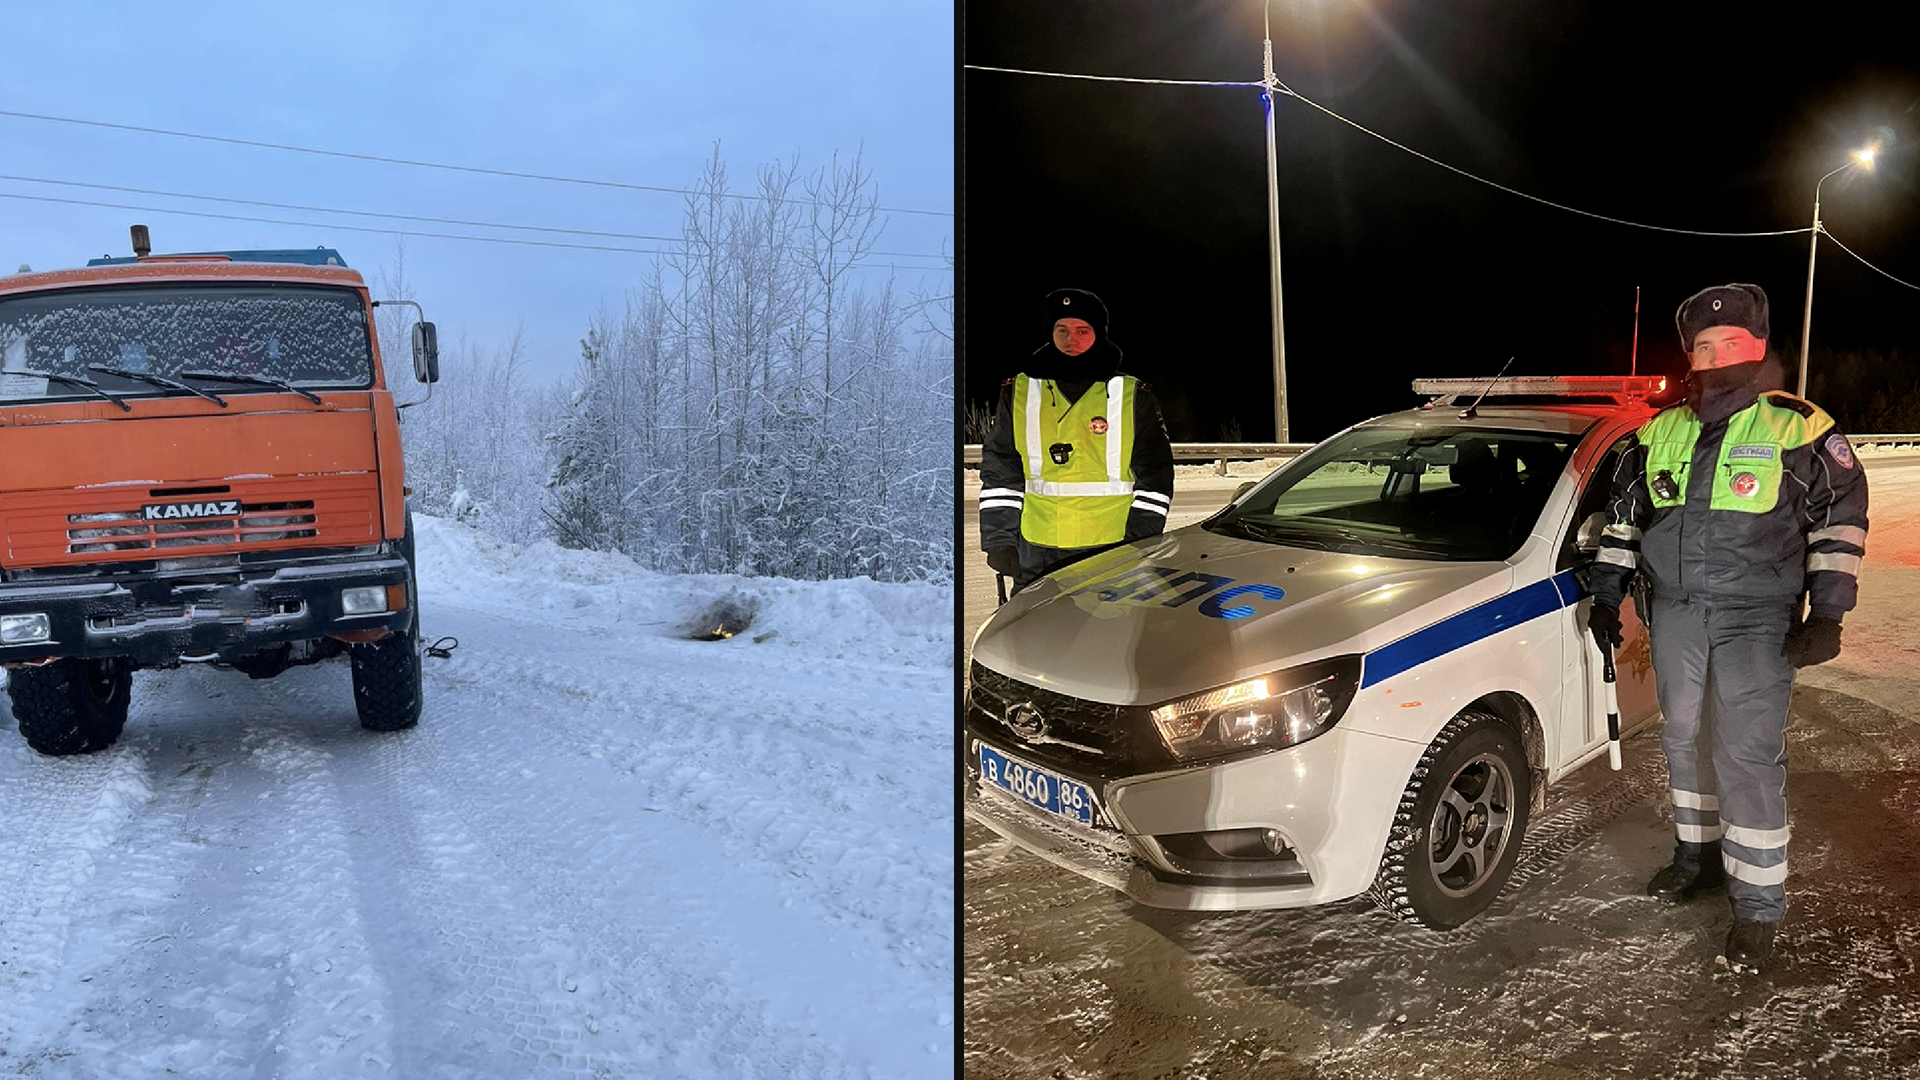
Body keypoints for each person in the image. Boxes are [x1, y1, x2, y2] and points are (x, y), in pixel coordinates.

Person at [1588, 283, 1869, 972]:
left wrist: (1828, 610)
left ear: (1759, 347)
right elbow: (1624, 521)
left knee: (1745, 753)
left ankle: (1758, 905)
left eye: (1731, 344)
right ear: (1690, 354)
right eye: (1704, 347)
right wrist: (1606, 592)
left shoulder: (1798, 427)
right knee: (1683, 738)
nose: (1716, 356)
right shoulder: (1659, 432)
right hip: (1677, 610)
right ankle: (1700, 856)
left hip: (1758, 616)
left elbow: (1839, 519)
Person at [979, 288, 1175, 593]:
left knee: (1106, 637)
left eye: (1083, 330)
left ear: (1098, 333)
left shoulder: (1133, 396)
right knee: (1032, 637)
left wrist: (1141, 540)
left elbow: (1156, 476)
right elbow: (1001, 470)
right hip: (1036, 552)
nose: (1072, 340)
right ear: (1050, 333)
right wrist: (999, 539)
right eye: (1063, 330)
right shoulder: (1018, 392)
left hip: (1111, 551)